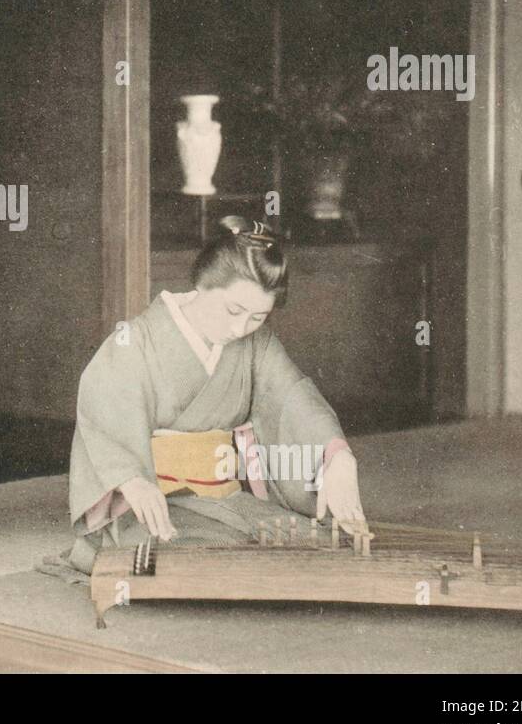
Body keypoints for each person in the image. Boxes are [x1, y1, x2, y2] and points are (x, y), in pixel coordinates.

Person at [67, 216, 365, 574]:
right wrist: (132, 480)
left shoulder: (257, 345)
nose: (240, 329)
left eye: (258, 317)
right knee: (185, 558)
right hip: (147, 503)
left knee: (303, 541)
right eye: (233, 310)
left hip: (223, 497)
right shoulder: (137, 341)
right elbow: (102, 410)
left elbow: (292, 397)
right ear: (203, 283)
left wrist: (337, 455)